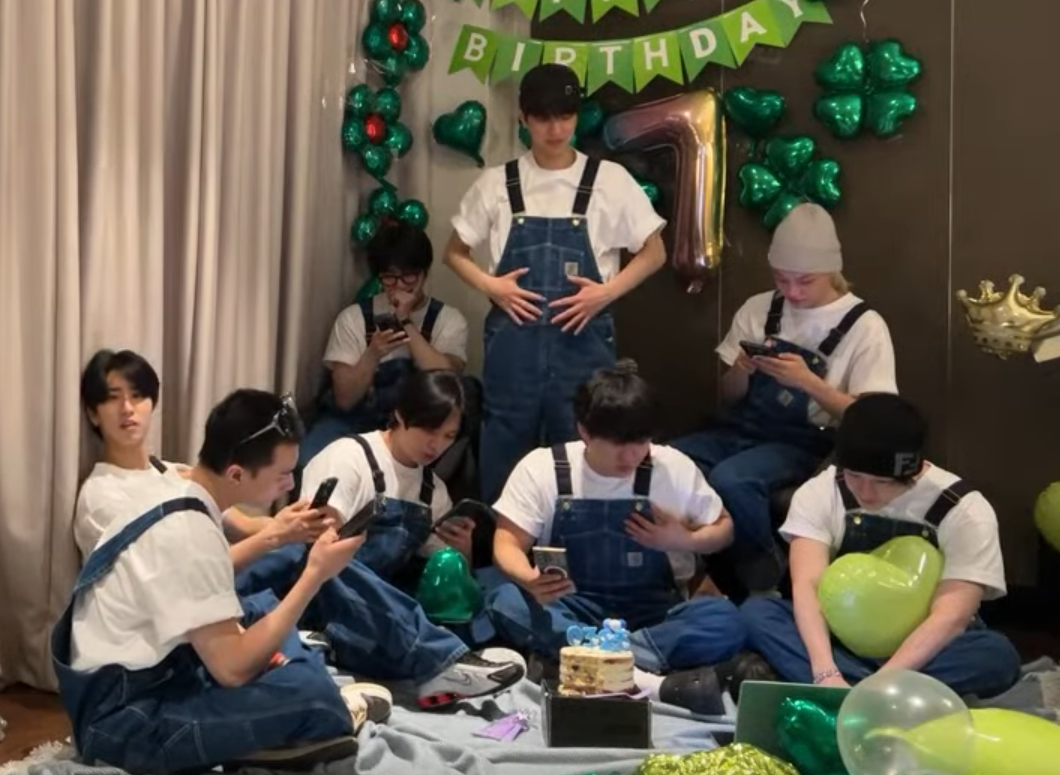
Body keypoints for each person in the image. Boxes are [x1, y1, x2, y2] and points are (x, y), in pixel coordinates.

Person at [54, 389, 387, 774]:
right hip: (127, 723)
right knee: (315, 698)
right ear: (236, 474)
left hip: (139, 678)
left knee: (260, 609)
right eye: (282, 474)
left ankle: (282, 695)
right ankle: (293, 712)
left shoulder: (170, 484)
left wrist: (276, 536)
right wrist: (315, 575)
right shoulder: (190, 533)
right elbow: (232, 670)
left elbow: (196, 577)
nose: (290, 485)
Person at [444, 63, 667, 503]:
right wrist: (491, 286)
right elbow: (454, 252)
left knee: (586, 444)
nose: (556, 129)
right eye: (543, 118)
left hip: (583, 339)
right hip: (514, 343)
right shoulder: (497, 183)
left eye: (565, 116)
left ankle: (580, 537)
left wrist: (606, 293)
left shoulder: (609, 180)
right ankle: (497, 540)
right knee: (504, 446)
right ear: (524, 118)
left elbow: (654, 251)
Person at [240, 369, 527, 708]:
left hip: (378, 612)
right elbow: (315, 549)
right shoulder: (349, 457)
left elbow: (438, 579)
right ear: (401, 415)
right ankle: (440, 659)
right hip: (321, 599)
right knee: (332, 556)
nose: (436, 445)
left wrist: (458, 552)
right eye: (429, 430)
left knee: (478, 585)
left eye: (448, 436)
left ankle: (444, 660)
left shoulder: (433, 490)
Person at [484, 362, 750, 714]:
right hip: (574, 606)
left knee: (725, 620)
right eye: (618, 444)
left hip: (653, 614)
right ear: (584, 431)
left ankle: (584, 663)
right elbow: (506, 542)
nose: (631, 455)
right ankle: (643, 679)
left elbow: (724, 530)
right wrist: (529, 578)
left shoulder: (672, 466)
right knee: (504, 598)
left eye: (641, 442)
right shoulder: (543, 467)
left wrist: (683, 539)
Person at [671, 204, 897, 593]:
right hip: (739, 429)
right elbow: (728, 397)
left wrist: (808, 382)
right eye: (782, 279)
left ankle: (765, 581)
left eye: (805, 281)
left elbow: (871, 418)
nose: (792, 292)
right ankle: (689, 576)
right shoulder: (758, 308)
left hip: (805, 441)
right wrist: (741, 369)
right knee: (667, 461)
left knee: (733, 479)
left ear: (831, 271)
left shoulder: (865, 326)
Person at [741, 393, 1021, 699]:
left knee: (996, 656)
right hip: (840, 638)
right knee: (758, 613)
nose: (866, 492)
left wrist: (884, 678)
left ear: (913, 469)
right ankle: (863, 691)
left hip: (927, 646)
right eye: (854, 476)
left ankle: (851, 689)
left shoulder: (964, 509)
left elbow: (951, 617)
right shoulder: (820, 492)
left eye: (882, 482)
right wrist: (825, 671)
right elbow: (808, 586)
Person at [75, 349, 328, 569]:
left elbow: (245, 526)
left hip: (217, 591)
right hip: (177, 603)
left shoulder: (171, 471)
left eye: (137, 396)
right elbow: (173, 578)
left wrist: (293, 525)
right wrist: (273, 537)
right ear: (93, 414)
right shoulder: (102, 494)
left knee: (307, 555)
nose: (127, 408)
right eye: (113, 397)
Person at [302, 223, 469, 466]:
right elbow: (344, 399)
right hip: (359, 421)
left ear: (424, 273)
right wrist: (372, 354)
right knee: (313, 453)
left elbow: (447, 379)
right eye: (389, 277)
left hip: (418, 424)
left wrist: (406, 322)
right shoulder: (354, 318)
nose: (399, 285)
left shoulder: (448, 319)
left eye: (408, 276)